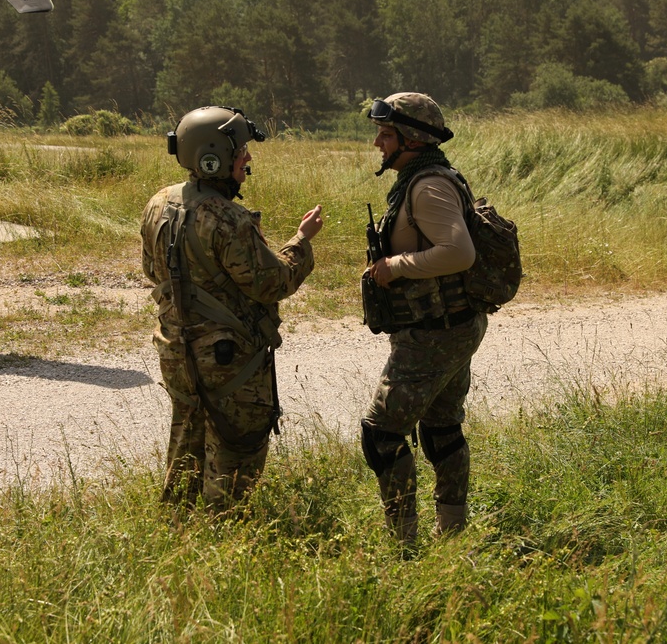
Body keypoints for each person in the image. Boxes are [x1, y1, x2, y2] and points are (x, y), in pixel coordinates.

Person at [141, 105, 323, 512]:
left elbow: (153, 272)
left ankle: (178, 531)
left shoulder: (158, 204)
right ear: (215, 156)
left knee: (186, 443)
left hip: (176, 352)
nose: (248, 158)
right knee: (237, 453)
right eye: (241, 150)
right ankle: (224, 534)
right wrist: (301, 241)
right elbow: (272, 283)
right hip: (228, 360)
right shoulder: (230, 219)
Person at [360, 92, 488, 546]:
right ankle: (451, 533)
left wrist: (395, 267)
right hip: (447, 326)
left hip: (435, 333)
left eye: (386, 133)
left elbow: (458, 252)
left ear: (411, 138)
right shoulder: (424, 177)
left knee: (381, 434)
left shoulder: (428, 185)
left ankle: (404, 545)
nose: (378, 141)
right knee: (440, 427)